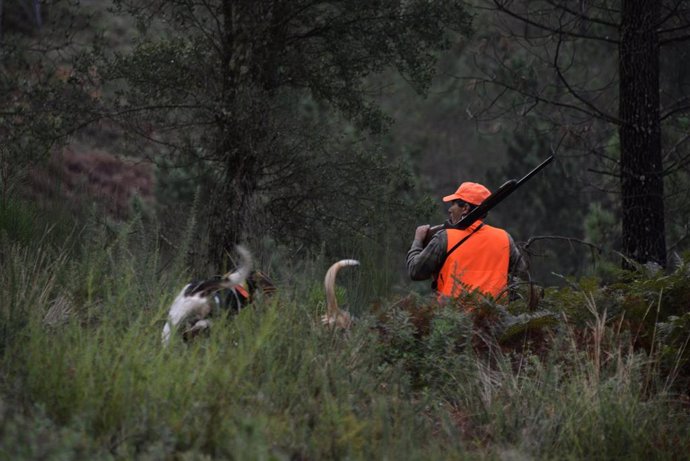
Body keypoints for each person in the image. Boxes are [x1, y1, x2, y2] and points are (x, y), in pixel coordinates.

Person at [406, 181, 526, 302]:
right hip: (495, 316)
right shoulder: (504, 237)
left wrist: (418, 240)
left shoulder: (444, 237)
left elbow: (415, 271)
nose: (450, 210)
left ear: (465, 208)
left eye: (453, 204)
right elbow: (523, 277)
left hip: (453, 317)